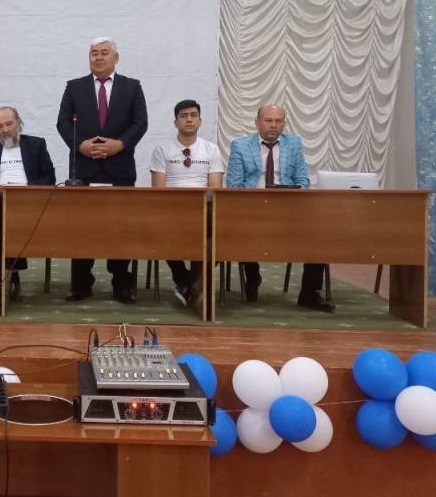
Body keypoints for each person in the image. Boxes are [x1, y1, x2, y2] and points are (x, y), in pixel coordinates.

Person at [56, 37, 148, 303]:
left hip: (120, 169)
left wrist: (120, 144)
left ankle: (122, 284)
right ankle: (81, 284)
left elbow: (140, 123)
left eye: (104, 52)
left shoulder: (132, 87)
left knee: (120, 228)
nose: (98, 57)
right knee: (81, 228)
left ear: (116, 58)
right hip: (84, 170)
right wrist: (80, 145)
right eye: (94, 53)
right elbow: (63, 123)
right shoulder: (74, 87)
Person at [226, 104, 335, 312]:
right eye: (269, 120)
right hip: (251, 209)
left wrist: (293, 200)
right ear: (257, 123)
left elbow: (302, 181)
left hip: (288, 209)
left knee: (320, 232)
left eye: (278, 121)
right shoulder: (240, 146)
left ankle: (309, 294)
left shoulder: (293, 144)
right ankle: (252, 277)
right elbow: (234, 185)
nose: (274, 125)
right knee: (239, 225)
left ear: (284, 124)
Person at [0, 106, 56, 300]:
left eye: (9, 124)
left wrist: (25, 189)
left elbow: (49, 178)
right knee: (4, 218)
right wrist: (0, 189)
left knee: (8, 221)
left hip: (30, 203)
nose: (5, 129)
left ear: (19, 123)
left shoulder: (36, 145)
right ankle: (11, 274)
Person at [149, 99, 224, 308]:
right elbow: (158, 191)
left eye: (193, 115)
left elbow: (215, 189)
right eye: (183, 116)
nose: (189, 120)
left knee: (220, 235)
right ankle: (185, 279)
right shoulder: (162, 149)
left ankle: (189, 284)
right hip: (171, 210)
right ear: (175, 123)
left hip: (203, 209)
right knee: (159, 231)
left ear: (200, 121)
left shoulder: (211, 149)